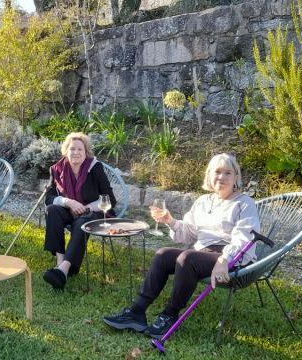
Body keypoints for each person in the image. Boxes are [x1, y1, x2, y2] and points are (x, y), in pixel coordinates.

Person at [103, 153, 260, 339]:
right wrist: (170, 221)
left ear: (236, 177)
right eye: (217, 172)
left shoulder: (244, 203)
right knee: (163, 254)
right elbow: (188, 234)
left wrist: (224, 259)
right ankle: (137, 312)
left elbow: (243, 239)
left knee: (188, 258)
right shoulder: (203, 202)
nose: (222, 177)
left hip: (232, 258)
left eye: (228, 172)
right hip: (202, 254)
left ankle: (169, 315)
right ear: (209, 175)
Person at [42, 132, 116, 290]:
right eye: (72, 149)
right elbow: (49, 198)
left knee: (83, 221)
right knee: (53, 210)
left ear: (86, 152)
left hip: (92, 211)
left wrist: (85, 207)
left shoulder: (95, 168)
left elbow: (110, 199)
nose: (75, 152)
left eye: (80, 149)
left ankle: (64, 269)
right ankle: (60, 263)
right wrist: (69, 202)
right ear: (66, 151)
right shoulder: (56, 169)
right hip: (68, 210)